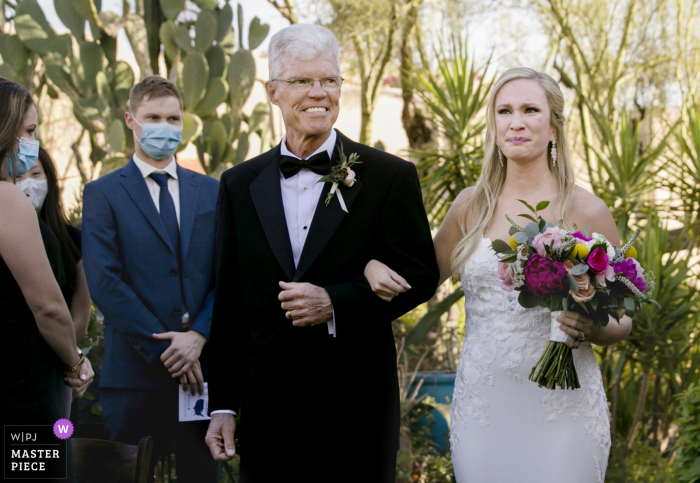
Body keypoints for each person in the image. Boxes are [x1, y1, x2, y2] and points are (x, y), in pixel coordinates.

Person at [364, 67, 632, 481]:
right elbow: (418, 279)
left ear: (555, 127)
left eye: (530, 109)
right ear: (494, 124)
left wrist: (591, 327)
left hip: (565, 408)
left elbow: (622, 318)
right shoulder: (470, 207)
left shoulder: (587, 210)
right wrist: (370, 264)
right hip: (485, 406)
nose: (516, 122)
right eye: (504, 111)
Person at [204, 24, 439, 482]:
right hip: (266, 413)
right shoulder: (237, 184)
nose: (319, 93)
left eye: (329, 80)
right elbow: (230, 303)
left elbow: (421, 273)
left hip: (357, 412)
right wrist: (224, 404)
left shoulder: (388, 176)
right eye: (301, 81)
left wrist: (335, 301)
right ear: (273, 91)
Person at [81, 76, 219, 482]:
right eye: (153, 117)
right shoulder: (102, 193)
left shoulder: (213, 191)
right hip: (134, 377)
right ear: (131, 120)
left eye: (173, 118)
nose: (165, 126)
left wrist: (198, 337)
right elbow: (104, 282)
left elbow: (228, 274)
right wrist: (169, 349)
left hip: (201, 373)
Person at [0, 77, 94, 481]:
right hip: (22, 389)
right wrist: (76, 361)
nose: (32, 142)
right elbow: (48, 306)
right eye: (29, 131)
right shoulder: (8, 201)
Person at [15, 148, 91, 343]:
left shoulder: (75, 242)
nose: (28, 183)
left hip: (60, 359)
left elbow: (80, 318)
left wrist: (70, 361)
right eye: (18, 175)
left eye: (35, 174)